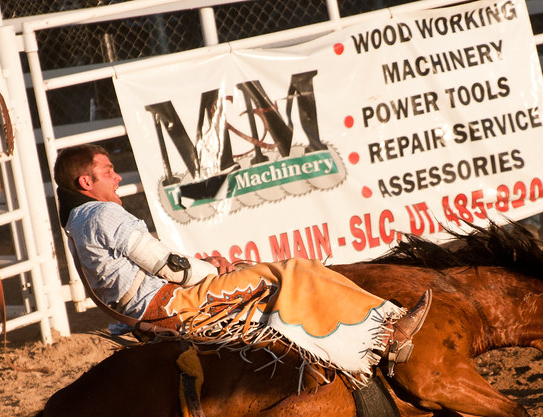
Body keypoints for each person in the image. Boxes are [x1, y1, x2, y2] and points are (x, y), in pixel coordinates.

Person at [54, 143, 432, 386]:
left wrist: (202, 269)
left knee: (280, 270)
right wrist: (212, 272)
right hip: (166, 303)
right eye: (107, 172)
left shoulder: (79, 221)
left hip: (146, 304)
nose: (117, 177)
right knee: (297, 270)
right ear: (85, 180)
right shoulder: (104, 214)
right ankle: (388, 331)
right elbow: (166, 266)